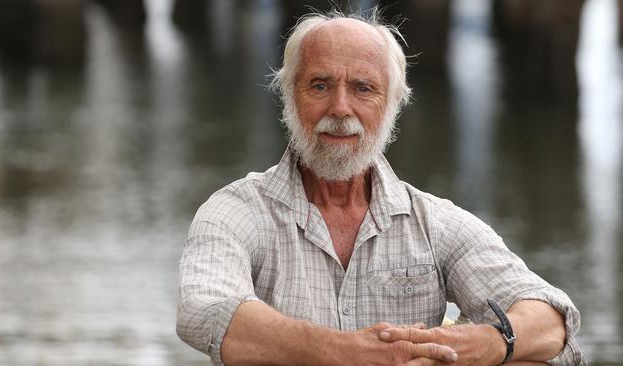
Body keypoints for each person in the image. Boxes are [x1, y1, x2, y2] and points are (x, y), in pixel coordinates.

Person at [176, 10, 585, 366]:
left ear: (392, 104)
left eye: (363, 89)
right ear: (289, 95)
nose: (340, 108)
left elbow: (551, 316)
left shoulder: (431, 220)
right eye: (319, 85)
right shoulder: (237, 210)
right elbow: (205, 311)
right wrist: (350, 353)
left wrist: (487, 344)